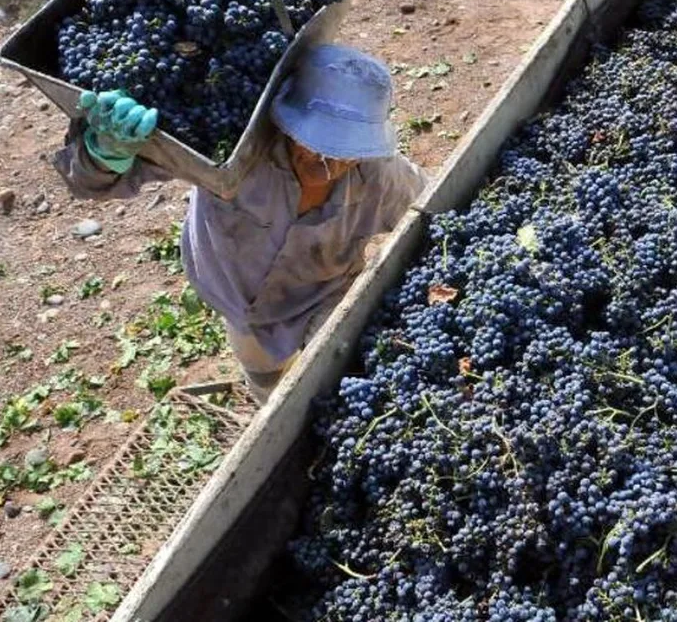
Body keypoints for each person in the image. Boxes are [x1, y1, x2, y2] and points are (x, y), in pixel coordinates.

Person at [54, 44, 428, 400]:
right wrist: (103, 154)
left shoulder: (381, 175)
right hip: (237, 302)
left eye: (347, 151)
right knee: (268, 382)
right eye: (316, 144)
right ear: (287, 123)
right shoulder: (230, 158)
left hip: (325, 293)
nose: (329, 162)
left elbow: (432, 209)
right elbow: (90, 183)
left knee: (343, 369)